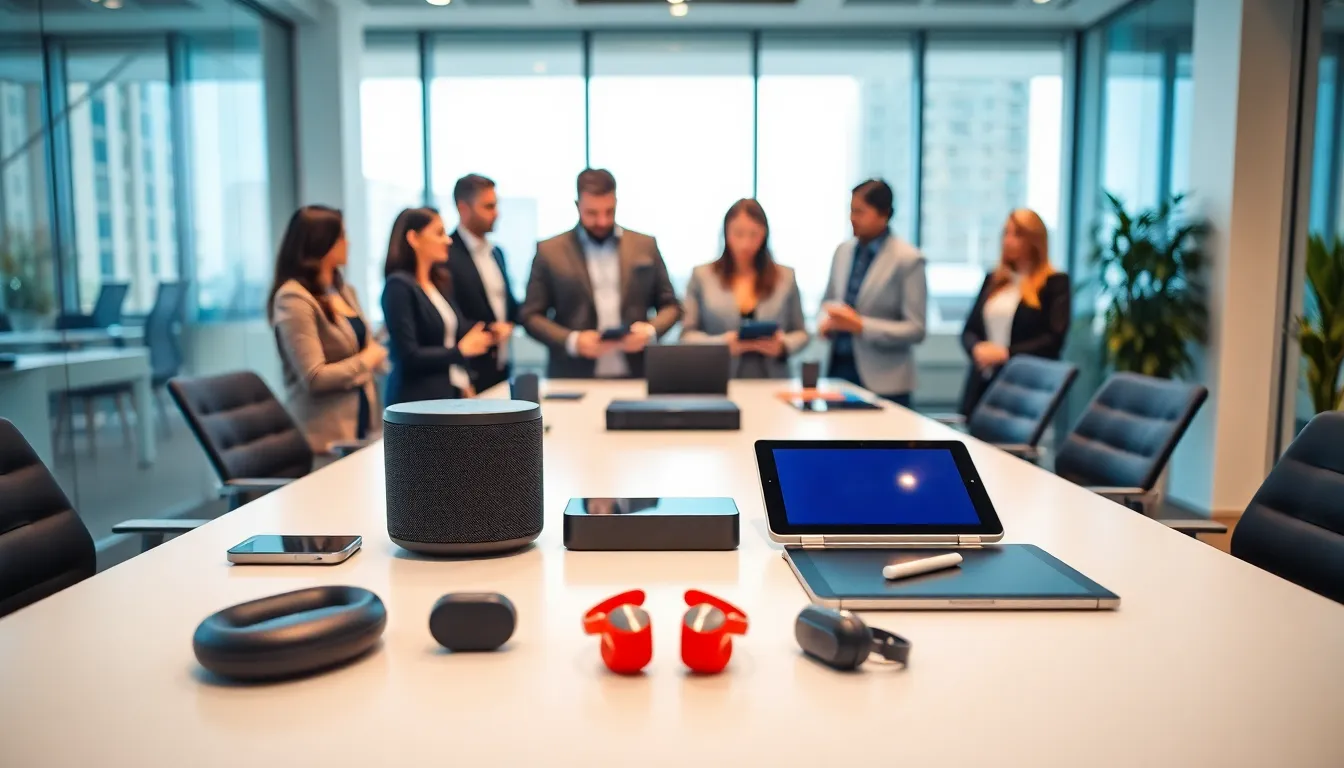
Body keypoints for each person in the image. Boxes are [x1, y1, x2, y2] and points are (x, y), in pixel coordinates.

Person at [519, 168, 682, 379]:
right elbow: (530, 316)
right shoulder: (549, 251)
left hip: (637, 374)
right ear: (577, 206)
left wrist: (650, 332)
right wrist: (572, 341)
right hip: (573, 376)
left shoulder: (645, 245)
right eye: (592, 213)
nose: (603, 221)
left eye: (609, 211)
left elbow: (672, 306)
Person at [269, 205, 387, 454]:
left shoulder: (344, 291)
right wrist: (367, 360)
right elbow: (315, 377)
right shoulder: (293, 298)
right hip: (325, 439)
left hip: (364, 427)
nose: (348, 243)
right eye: (342, 236)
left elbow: (360, 346)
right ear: (322, 243)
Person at [819, 179, 927, 407]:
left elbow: (916, 329)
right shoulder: (843, 251)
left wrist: (860, 325)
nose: (852, 218)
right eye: (851, 210)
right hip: (839, 370)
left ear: (884, 214)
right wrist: (827, 322)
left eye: (860, 211)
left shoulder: (907, 260)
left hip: (886, 381)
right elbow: (828, 300)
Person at [958, 208, 1071, 415]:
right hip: (983, 381)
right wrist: (977, 349)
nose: (1008, 240)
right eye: (1005, 233)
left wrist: (1006, 354)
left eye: (1017, 234)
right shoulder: (994, 280)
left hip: (1026, 384)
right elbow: (969, 329)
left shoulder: (1054, 283)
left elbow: (1053, 339)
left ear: (1034, 240)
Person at [681, 198, 809, 379]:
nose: (745, 244)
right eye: (738, 234)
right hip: (718, 377)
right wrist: (722, 343)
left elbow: (801, 333)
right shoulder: (702, 275)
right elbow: (686, 335)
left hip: (773, 379)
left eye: (754, 234)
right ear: (726, 232)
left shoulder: (785, 277)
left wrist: (782, 345)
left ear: (764, 234)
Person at [381, 207, 495, 405]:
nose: (448, 240)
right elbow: (408, 355)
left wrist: (490, 331)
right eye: (439, 233)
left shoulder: (438, 283)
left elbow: (455, 330)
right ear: (413, 238)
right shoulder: (398, 286)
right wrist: (459, 352)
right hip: (416, 403)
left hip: (446, 394)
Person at [437, 174, 519, 393]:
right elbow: (449, 316)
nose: (496, 213)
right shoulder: (447, 256)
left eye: (496, 205)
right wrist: (491, 331)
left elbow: (509, 306)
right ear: (463, 208)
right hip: (468, 371)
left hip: (501, 367)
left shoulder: (497, 253)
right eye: (488, 206)